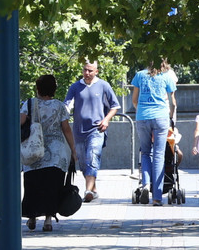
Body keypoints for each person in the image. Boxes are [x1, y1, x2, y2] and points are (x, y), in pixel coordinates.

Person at [20, 75, 78, 232]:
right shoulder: (60, 106)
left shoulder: (30, 103)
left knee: (33, 184)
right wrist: (73, 150)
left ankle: (32, 218)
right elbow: (66, 129)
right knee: (52, 187)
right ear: (53, 89)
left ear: (38, 89)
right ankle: (48, 220)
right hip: (56, 153)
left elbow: (21, 122)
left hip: (34, 150)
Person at [64, 60, 121, 202]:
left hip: (97, 130)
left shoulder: (103, 86)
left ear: (96, 71)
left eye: (90, 70)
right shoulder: (75, 87)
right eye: (85, 70)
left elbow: (115, 106)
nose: (87, 73)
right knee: (83, 162)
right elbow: (67, 106)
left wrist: (106, 119)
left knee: (92, 156)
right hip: (79, 131)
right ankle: (93, 190)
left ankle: (88, 190)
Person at [131, 62, 177, 206]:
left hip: (142, 117)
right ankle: (157, 197)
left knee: (145, 153)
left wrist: (142, 112)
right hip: (161, 118)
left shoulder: (139, 75)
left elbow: (134, 100)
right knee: (159, 155)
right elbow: (173, 102)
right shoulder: (166, 76)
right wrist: (170, 116)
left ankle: (145, 184)